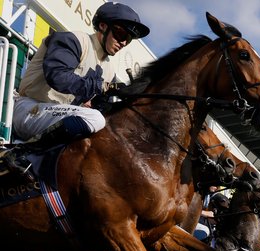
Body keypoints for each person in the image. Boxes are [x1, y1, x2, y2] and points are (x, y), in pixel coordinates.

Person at [2, 2, 150, 174]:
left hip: (55, 116)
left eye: (129, 39)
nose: (123, 42)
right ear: (103, 26)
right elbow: (57, 76)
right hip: (28, 109)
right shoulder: (73, 39)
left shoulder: (109, 70)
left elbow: (99, 107)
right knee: (95, 119)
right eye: (120, 33)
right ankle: (20, 152)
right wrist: (101, 87)